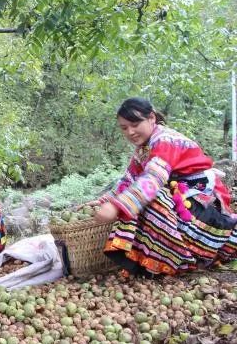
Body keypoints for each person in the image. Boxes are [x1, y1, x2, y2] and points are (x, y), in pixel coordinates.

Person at [92, 97, 237, 277]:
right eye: (124, 128)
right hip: (182, 198)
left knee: (148, 199)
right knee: (132, 197)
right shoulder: (143, 149)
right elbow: (128, 180)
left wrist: (116, 206)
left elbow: (153, 178)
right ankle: (159, 257)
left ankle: (185, 257)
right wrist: (104, 200)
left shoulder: (165, 140)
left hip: (203, 204)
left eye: (135, 124)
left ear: (151, 118)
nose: (130, 132)